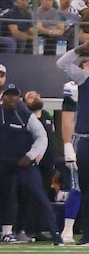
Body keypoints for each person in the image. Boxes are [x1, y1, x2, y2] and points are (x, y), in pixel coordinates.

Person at [4, 85, 50, 242]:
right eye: (31, 96)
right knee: (8, 194)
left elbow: (43, 137)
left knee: (28, 196)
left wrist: (33, 155)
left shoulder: (35, 116)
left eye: (14, 95)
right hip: (8, 162)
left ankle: (24, 229)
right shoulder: (15, 114)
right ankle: (9, 230)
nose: (11, 98)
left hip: (31, 165)